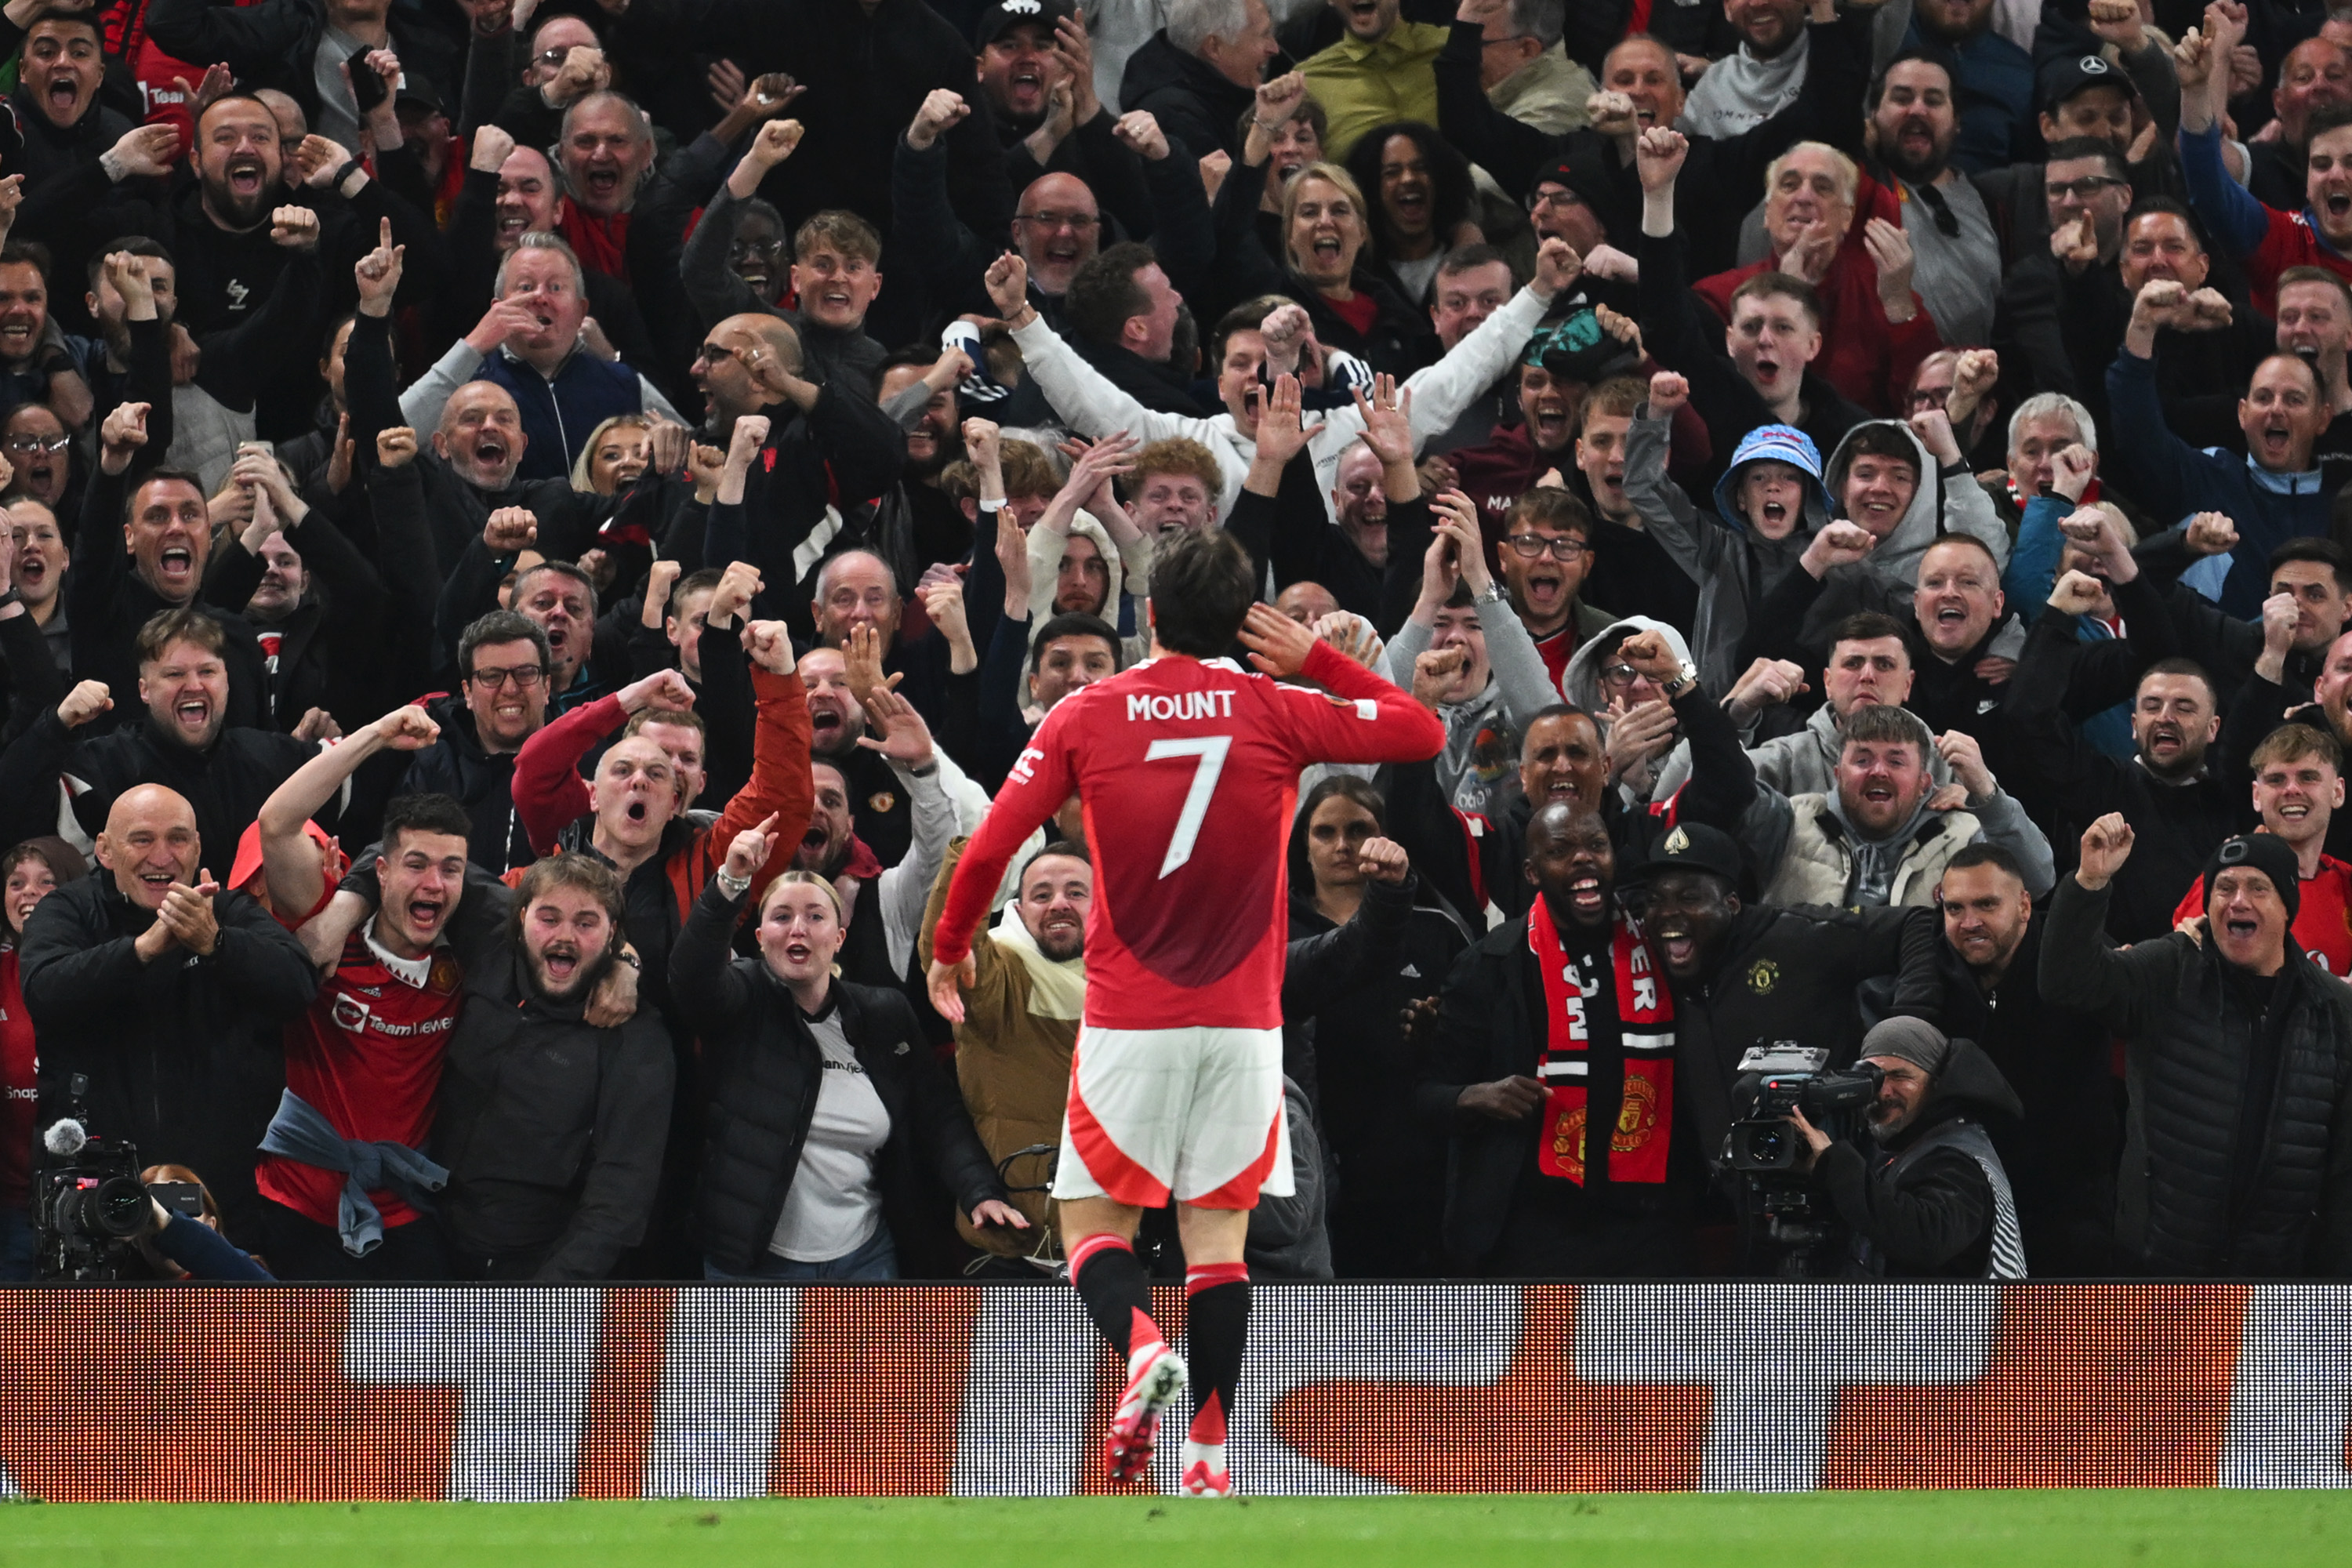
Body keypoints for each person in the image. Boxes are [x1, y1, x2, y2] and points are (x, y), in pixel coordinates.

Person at [926, 528, 1443, 1497]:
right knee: (1218, 1247)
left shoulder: (1089, 711)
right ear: (1248, 620)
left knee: (1092, 1230)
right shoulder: (1277, 706)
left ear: (1150, 613)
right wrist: (1315, 657)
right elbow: (1419, 730)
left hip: (1130, 1019)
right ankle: (1205, 1452)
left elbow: (993, 842)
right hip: (1246, 1028)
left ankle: (1140, 1345)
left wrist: (952, 948)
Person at [674, 830, 1022, 1282]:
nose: (798, 928)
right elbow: (691, 980)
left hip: (866, 1255)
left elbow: (936, 1113)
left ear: (839, 938)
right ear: (760, 938)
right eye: (782, 917)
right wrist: (730, 883)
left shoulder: (884, 1014)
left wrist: (979, 1190)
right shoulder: (743, 999)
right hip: (751, 1262)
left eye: (814, 916)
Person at [2042, 818, 2352, 1276]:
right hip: (2160, 1266)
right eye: (2223, 888)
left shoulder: (2335, 1010)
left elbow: (2344, 1172)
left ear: (2289, 907)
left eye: (2257, 888)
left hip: (2277, 1282)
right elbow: (2066, 983)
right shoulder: (2170, 969)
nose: (2237, 900)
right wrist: (2090, 882)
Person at [20, 783, 317, 1233]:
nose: (162, 856)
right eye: (142, 839)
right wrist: (139, 951)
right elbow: (44, 991)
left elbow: (298, 986)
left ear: (197, 848)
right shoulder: (68, 910)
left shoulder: (226, 911)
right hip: (95, 1198)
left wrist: (217, 944)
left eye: (177, 839)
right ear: (104, 850)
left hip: (221, 1196)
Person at [249, 711, 475, 1281]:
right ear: (381, 871)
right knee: (301, 1371)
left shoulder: (472, 951)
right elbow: (276, 823)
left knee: (412, 1372)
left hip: (407, 1207)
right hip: (296, 1203)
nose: (434, 884)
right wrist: (374, 736)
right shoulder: (329, 929)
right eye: (417, 865)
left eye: (452, 869)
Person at [1424, 801, 1692, 1275]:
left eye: (1596, 845)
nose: (1583, 858)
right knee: (1548, 1354)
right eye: (1560, 850)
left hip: (1652, 1222)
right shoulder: (1491, 965)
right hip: (1540, 1229)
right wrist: (1476, 1096)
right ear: (1532, 872)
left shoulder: (1664, 950)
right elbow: (1425, 1096)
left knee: (1647, 1352)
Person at [1623, 820, 1944, 1205]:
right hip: (1735, 1205)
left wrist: (1907, 1027)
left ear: (1731, 903)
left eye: (1690, 897)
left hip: (1841, 1194)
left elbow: (1918, 923)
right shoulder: (1651, 969)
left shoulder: (1797, 938)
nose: (1668, 913)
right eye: (1655, 900)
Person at [432, 852, 673, 1280]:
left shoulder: (637, 1038)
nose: (566, 937)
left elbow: (621, 1195)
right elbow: (410, 852)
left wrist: (548, 1297)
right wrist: (346, 906)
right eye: (549, 918)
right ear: (521, 917)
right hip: (423, 1234)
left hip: (533, 1266)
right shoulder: (491, 949)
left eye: (586, 923)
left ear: (612, 933)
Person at [1284, 777, 1468, 1276]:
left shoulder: (1436, 930)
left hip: (1421, 1174)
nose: (1343, 845)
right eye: (1325, 832)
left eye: (1358, 829)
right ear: (1304, 842)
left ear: (1385, 835)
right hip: (1315, 1169)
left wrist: (1437, 1036)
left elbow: (1477, 1044)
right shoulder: (1274, 933)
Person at [1930, 844, 2118, 1275]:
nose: (1969, 922)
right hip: (1964, 1206)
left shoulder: (2077, 952)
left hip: (2072, 1208)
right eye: (1954, 908)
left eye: (1987, 904)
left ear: (2024, 905)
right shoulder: (1930, 968)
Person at [920, 837, 1094, 1264]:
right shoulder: (1001, 971)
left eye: (1075, 892)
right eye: (1041, 894)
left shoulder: (1137, 980)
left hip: (1122, 1243)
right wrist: (979, 851)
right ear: (1017, 909)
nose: (1058, 904)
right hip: (1016, 1250)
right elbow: (947, 947)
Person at [1787, 1014, 2027, 1278]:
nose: (1884, 1092)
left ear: (1936, 1083)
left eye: (1900, 1076)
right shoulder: (1905, 1145)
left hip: (1954, 1319)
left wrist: (1836, 1165)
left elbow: (1928, 1239)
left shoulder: (1959, 1159)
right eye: (1874, 1078)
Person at [2172, 724, 2352, 978]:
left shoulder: (2347, 883)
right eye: (2276, 780)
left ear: (2338, 791)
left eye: (2308, 777)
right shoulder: (2226, 884)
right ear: (2257, 796)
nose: (2291, 790)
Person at [0, 836, 83, 1279]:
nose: (28, 892)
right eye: (16, 883)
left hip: (82, 1206)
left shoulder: (98, 968)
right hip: (8, 1210)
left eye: (46, 881)